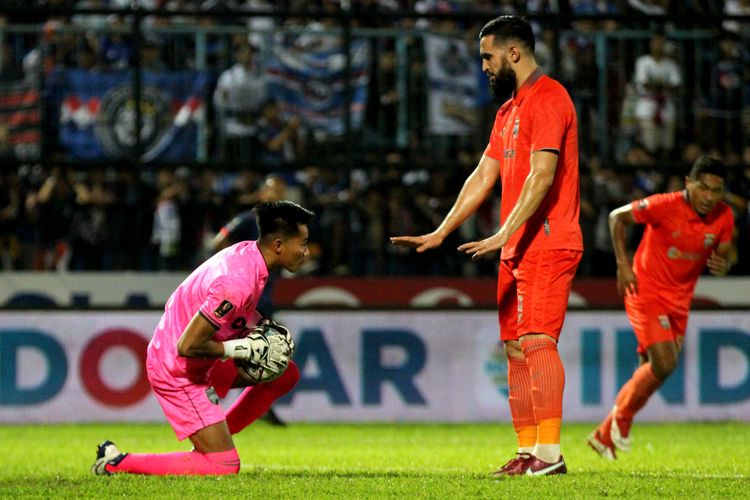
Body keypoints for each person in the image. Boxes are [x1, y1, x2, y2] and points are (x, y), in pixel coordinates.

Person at [391, 15, 581, 476]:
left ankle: (550, 457)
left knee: (537, 342)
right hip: (517, 245)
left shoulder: (550, 97)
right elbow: (482, 176)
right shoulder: (508, 111)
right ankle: (527, 452)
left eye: (487, 57)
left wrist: (503, 233)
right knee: (515, 349)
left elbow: (542, 176)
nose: (483, 67)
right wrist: (442, 230)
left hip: (548, 241)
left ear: (514, 53)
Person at [92, 200, 314, 476]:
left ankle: (213, 439)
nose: (306, 251)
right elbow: (188, 346)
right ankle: (115, 462)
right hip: (176, 368)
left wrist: (260, 325)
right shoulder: (238, 281)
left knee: (285, 373)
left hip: (202, 361)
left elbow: (232, 314)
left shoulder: (250, 257)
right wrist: (243, 347)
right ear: (279, 245)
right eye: (302, 243)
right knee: (224, 466)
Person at [588, 155, 734, 460]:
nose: (709, 197)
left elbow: (726, 250)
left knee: (653, 369)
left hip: (680, 300)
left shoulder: (724, 216)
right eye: (703, 188)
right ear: (688, 183)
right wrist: (622, 265)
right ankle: (621, 422)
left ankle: (604, 434)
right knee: (665, 363)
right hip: (645, 290)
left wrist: (725, 261)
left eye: (716, 191)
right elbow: (617, 217)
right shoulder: (664, 205)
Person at [212, 174, 289, 426]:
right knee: (257, 353)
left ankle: (254, 405)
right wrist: (236, 268)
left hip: (264, 300)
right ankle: (213, 390)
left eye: (281, 191)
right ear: (262, 195)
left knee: (265, 356)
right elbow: (219, 240)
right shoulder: (248, 221)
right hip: (243, 300)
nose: (277, 196)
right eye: (273, 191)